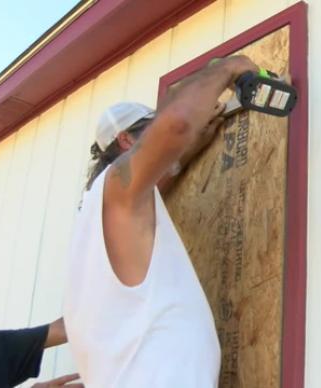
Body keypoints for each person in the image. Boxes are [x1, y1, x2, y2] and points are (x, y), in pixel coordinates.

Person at [63, 55, 259, 387]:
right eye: (150, 131)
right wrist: (227, 69)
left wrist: (184, 155)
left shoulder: (96, 221)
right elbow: (178, 123)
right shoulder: (115, 188)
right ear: (127, 140)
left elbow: (153, 178)